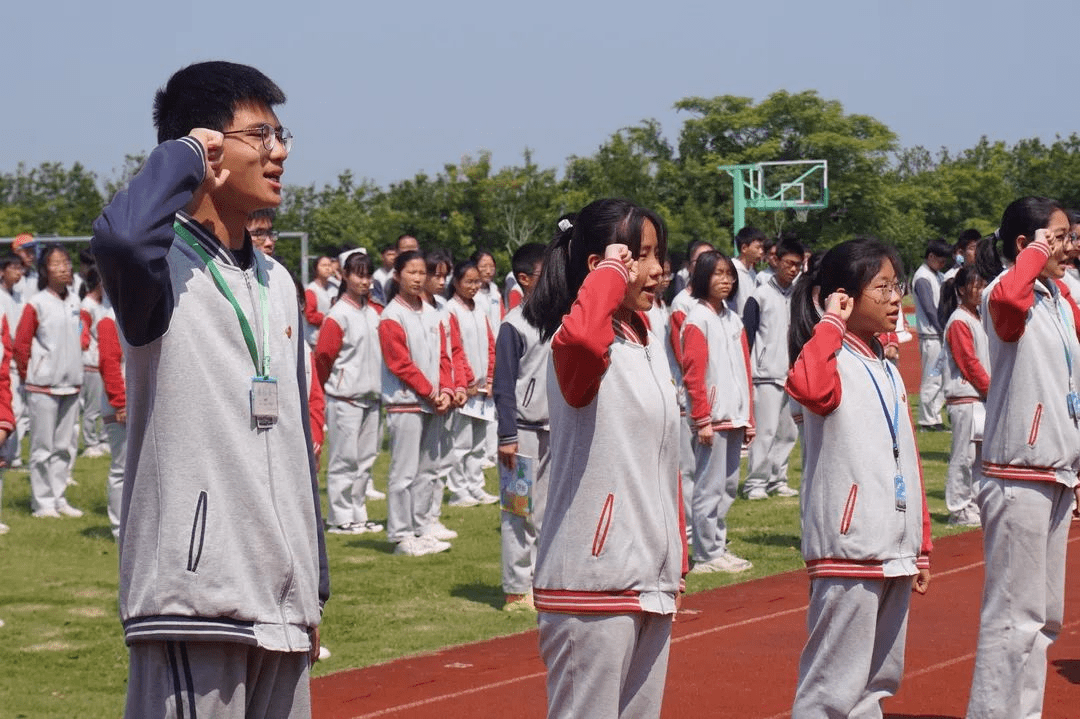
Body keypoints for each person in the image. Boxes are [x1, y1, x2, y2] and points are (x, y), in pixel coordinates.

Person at [91, 60, 328, 719]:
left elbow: (290, 445)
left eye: (282, 134)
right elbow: (120, 236)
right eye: (260, 134)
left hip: (282, 605)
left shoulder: (279, 281)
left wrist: (313, 589)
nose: (279, 150)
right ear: (212, 151)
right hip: (195, 602)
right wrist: (186, 152)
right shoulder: (160, 266)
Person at [524, 199, 685, 719]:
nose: (658, 270)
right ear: (603, 266)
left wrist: (674, 554)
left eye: (659, 254)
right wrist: (611, 273)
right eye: (640, 255)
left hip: (648, 578)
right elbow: (582, 340)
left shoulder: (644, 340)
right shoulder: (577, 343)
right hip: (593, 580)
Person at [786, 237, 932, 718]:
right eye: (883, 288)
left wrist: (920, 541)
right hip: (850, 546)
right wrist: (830, 322)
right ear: (844, 297)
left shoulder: (883, 365)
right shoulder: (827, 357)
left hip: (893, 545)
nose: (896, 299)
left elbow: (905, 458)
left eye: (898, 286)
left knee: (875, 683)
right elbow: (809, 389)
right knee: (831, 688)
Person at [966, 197, 1080, 719]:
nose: (1069, 245)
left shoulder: (1057, 297)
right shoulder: (1005, 291)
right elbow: (1010, 304)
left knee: (1043, 621)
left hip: (1055, 469)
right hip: (1019, 472)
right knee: (1013, 618)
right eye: (1058, 236)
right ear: (1026, 243)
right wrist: (1035, 254)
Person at [681, 250, 754, 573]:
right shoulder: (697, 320)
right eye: (718, 274)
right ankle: (706, 553)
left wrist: (748, 416)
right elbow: (693, 374)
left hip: (734, 416)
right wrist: (702, 419)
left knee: (726, 486)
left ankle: (717, 545)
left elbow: (744, 370)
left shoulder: (732, 319)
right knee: (708, 488)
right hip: (713, 419)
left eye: (729, 274)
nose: (725, 280)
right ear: (702, 278)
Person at [378, 249, 455, 556]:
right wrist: (431, 392)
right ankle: (400, 534)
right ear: (397, 275)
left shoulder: (434, 312)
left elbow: (445, 355)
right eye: (411, 272)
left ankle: (421, 528)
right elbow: (400, 363)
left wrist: (447, 389)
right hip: (406, 401)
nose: (418, 278)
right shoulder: (391, 316)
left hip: (434, 402)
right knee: (404, 472)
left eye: (422, 272)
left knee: (428, 470)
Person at [493, 242, 549, 612]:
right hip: (522, 431)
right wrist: (507, 436)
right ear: (525, 279)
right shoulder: (513, 324)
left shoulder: (560, 317)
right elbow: (503, 384)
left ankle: (543, 581)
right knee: (518, 509)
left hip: (554, 427)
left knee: (547, 512)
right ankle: (516, 587)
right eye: (545, 275)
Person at [314, 250, 385, 535]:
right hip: (345, 399)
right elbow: (323, 358)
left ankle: (358, 513)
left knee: (365, 461)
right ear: (345, 276)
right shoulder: (337, 315)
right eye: (358, 274)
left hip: (372, 398)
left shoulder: (375, 312)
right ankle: (340, 516)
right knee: (344, 460)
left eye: (368, 275)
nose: (365, 281)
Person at [14, 244, 83, 518]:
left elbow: (81, 335)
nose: (64, 268)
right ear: (45, 270)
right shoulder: (37, 303)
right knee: (42, 448)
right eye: (56, 263)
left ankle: (58, 497)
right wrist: (29, 373)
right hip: (42, 385)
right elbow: (22, 344)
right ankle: (41, 502)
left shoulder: (75, 301)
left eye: (66, 262)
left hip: (72, 383)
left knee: (64, 447)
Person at [741, 238, 804, 500]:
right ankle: (755, 483)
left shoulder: (799, 295)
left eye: (798, 265)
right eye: (789, 264)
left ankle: (778, 479)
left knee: (788, 433)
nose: (793, 269)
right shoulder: (760, 294)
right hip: (766, 374)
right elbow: (749, 334)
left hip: (792, 373)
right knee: (765, 433)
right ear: (776, 261)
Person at [938, 265, 989, 527]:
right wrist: (990, 389)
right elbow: (968, 362)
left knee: (978, 458)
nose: (980, 291)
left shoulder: (977, 317)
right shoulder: (960, 320)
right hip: (965, 397)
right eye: (975, 286)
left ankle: (974, 504)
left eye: (983, 285)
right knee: (964, 457)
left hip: (977, 398)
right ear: (961, 290)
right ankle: (958, 508)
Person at [444, 260, 498, 506]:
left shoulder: (480, 308)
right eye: (469, 281)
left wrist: (490, 376)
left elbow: (489, 343)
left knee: (478, 443)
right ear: (456, 283)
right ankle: (458, 489)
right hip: (464, 389)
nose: (474, 286)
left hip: (482, 388)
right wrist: (465, 384)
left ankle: (475, 486)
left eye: (477, 282)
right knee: (461, 442)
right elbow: (455, 349)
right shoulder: (450, 310)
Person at [912, 238, 954, 430]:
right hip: (932, 337)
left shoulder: (937, 275)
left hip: (938, 336)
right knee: (932, 379)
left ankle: (935, 418)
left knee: (942, 379)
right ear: (930, 256)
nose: (943, 264)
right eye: (940, 260)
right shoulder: (923, 277)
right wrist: (942, 330)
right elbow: (930, 309)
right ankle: (926, 420)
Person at [96, 301, 126, 540]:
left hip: (142, 402)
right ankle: (119, 529)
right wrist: (120, 401)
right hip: (122, 406)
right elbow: (109, 362)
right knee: (122, 469)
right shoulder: (109, 319)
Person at [78, 268, 109, 458]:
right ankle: (90, 443)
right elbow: (82, 334)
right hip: (91, 362)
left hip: (106, 361)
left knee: (106, 403)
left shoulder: (105, 302)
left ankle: (104, 439)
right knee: (92, 407)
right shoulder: (86, 305)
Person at [729, 226, 766, 314]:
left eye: (762, 248)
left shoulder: (752, 273)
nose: (761, 252)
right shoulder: (731, 269)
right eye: (757, 248)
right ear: (744, 248)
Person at [304, 255, 335, 347]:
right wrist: (328, 318)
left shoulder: (335, 287)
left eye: (329, 265)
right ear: (316, 268)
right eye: (323, 265)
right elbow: (310, 316)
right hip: (315, 340)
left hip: (332, 337)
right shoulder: (311, 290)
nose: (327, 268)